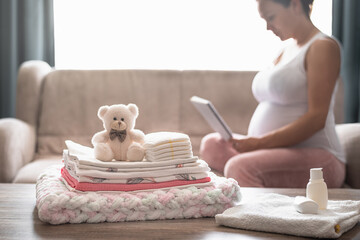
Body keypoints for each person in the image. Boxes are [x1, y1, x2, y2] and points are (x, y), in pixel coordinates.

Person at [199, 0, 345, 188]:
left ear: (294, 4)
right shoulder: (286, 49)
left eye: (271, 17)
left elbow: (317, 118)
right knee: (212, 144)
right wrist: (254, 144)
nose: (268, 27)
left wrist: (259, 143)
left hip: (320, 158)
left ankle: (257, 210)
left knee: (240, 167)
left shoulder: (322, 46)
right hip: (276, 150)